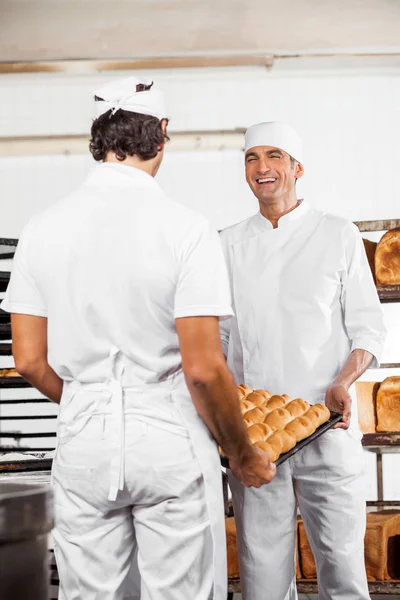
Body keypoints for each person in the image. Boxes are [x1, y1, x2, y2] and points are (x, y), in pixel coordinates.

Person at [1, 78, 275, 600]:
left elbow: (29, 359)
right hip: (167, 435)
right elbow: (202, 368)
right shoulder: (185, 228)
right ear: (161, 134)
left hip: (83, 439)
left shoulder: (42, 228)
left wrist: (91, 399)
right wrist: (240, 453)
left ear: (98, 138)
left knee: (90, 594)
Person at [220, 121, 386, 600]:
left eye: (274, 157)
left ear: (297, 168)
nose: (262, 168)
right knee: (262, 576)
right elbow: (220, 339)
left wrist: (344, 379)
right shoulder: (226, 244)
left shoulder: (337, 234)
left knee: (342, 571)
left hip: (328, 428)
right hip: (256, 440)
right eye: (252, 158)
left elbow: (369, 329)